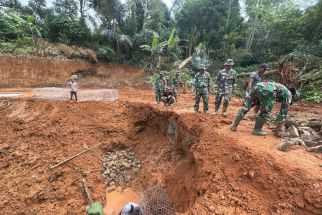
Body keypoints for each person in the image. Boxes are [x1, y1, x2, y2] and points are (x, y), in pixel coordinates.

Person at [230, 81, 299, 136]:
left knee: (246, 106)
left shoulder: (284, 89)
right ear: (294, 97)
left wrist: (258, 105)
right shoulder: (289, 95)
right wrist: (279, 129)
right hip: (268, 90)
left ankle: (234, 126)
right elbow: (283, 112)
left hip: (258, 86)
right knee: (265, 111)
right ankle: (257, 130)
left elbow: (261, 96)